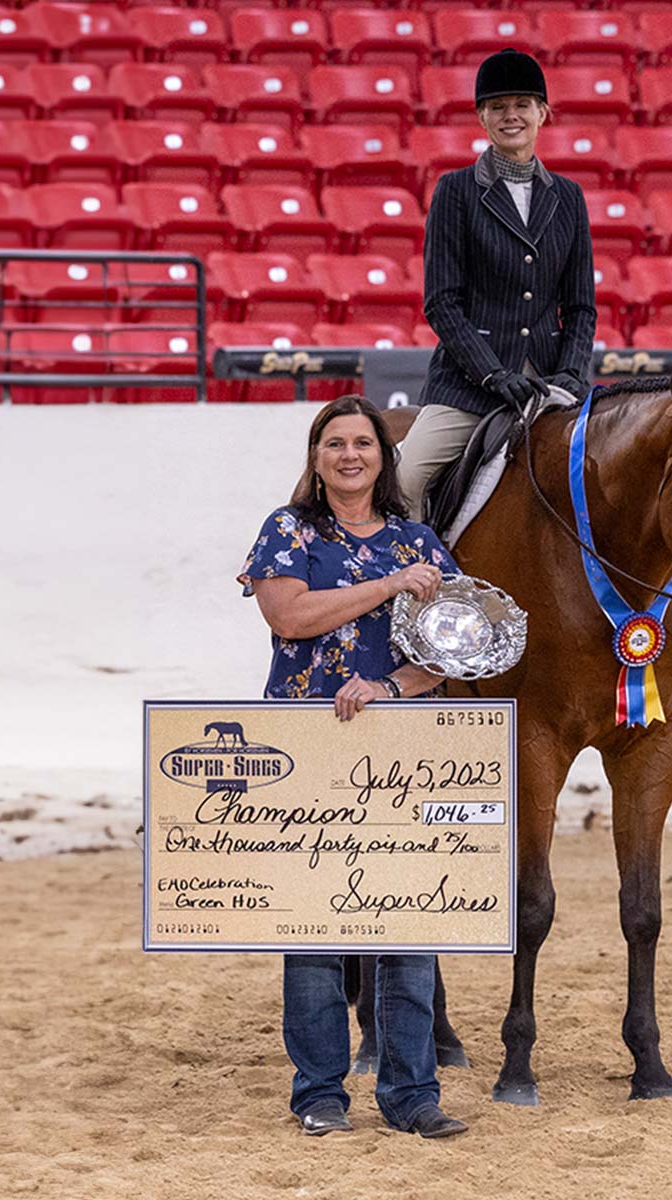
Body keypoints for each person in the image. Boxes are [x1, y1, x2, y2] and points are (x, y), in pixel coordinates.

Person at [237, 394, 468, 1139]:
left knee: (408, 929)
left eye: (363, 443)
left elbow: (451, 648)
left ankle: (412, 1095)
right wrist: (388, 586)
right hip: (305, 747)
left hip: (400, 752)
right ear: (315, 457)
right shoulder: (288, 529)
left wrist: (390, 685)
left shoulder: (421, 542)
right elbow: (289, 616)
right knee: (313, 933)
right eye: (334, 442)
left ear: (382, 457)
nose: (349, 454)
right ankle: (320, 1095)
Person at [396, 47, 598, 522]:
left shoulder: (568, 197)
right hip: (470, 389)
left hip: (551, 386)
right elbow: (442, 303)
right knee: (404, 480)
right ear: (481, 117)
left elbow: (581, 306)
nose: (511, 116)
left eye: (522, 105)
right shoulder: (456, 191)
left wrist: (569, 373)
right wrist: (491, 373)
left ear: (542, 113)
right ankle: (412, 591)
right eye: (499, 107)